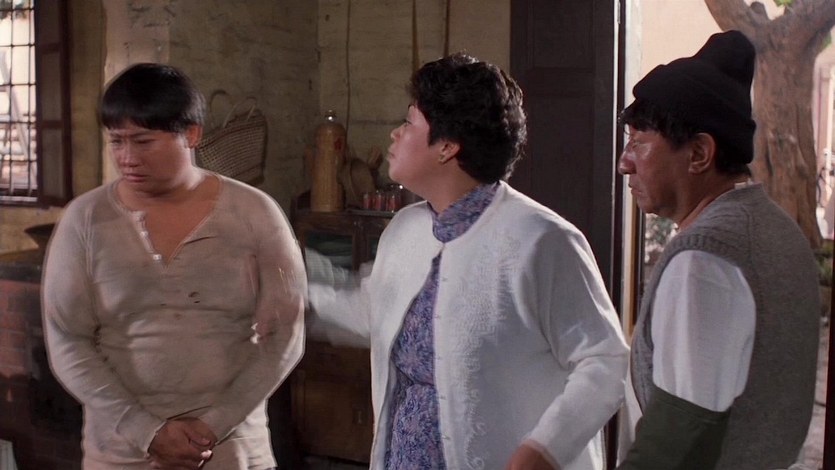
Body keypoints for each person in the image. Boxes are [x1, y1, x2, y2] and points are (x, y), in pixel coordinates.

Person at [306, 52, 628, 470]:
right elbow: (374, 309)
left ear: (447, 146)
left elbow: (604, 359)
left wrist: (543, 450)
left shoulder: (541, 240)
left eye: (409, 123)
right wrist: (296, 292)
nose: (395, 134)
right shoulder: (405, 229)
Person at [41, 63, 306, 470]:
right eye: (117, 142)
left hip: (229, 446)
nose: (127, 158)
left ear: (192, 134)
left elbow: (285, 336)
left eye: (143, 141)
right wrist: (145, 430)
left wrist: (214, 425)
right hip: (120, 449)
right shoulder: (85, 219)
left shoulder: (254, 213)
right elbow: (67, 340)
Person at [616, 31, 820, 469]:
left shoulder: (704, 259)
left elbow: (677, 442)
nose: (624, 163)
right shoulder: (777, 228)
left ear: (699, 153)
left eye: (638, 143)